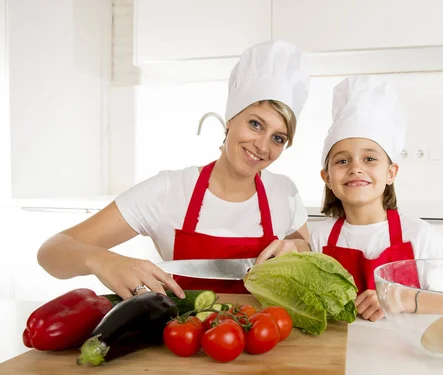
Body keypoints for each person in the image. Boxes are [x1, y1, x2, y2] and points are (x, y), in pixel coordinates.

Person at [38, 41, 311, 299]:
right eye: (255, 124)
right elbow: (52, 251)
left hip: (266, 341)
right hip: (183, 341)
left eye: (278, 138)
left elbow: (306, 252)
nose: (262, 146)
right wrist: (104, 260)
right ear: (230, 118)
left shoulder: (284, 192)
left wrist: (300, 249)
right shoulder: (168, 190)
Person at [310, 76, 443, 322]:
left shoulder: (420, 236)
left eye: (369, 159)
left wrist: (403, 298)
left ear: (390, 173)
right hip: (337, 350)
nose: (355, 168)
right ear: (327, 178)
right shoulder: (319, 238)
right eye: (342, 161)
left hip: (404, 352)